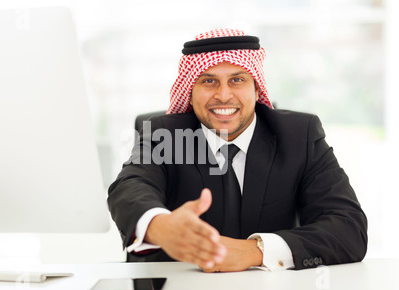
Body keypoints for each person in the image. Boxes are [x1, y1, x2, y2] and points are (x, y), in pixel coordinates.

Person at [107, 29, 368, 272]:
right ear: (189, 91)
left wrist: (255, 251)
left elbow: (348, 227)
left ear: (256, 89)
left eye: (237, 80)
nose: (223, 95)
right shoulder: (163, 133)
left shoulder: (299, 134)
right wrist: (161, 226)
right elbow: (129, 188)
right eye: (209, 81)